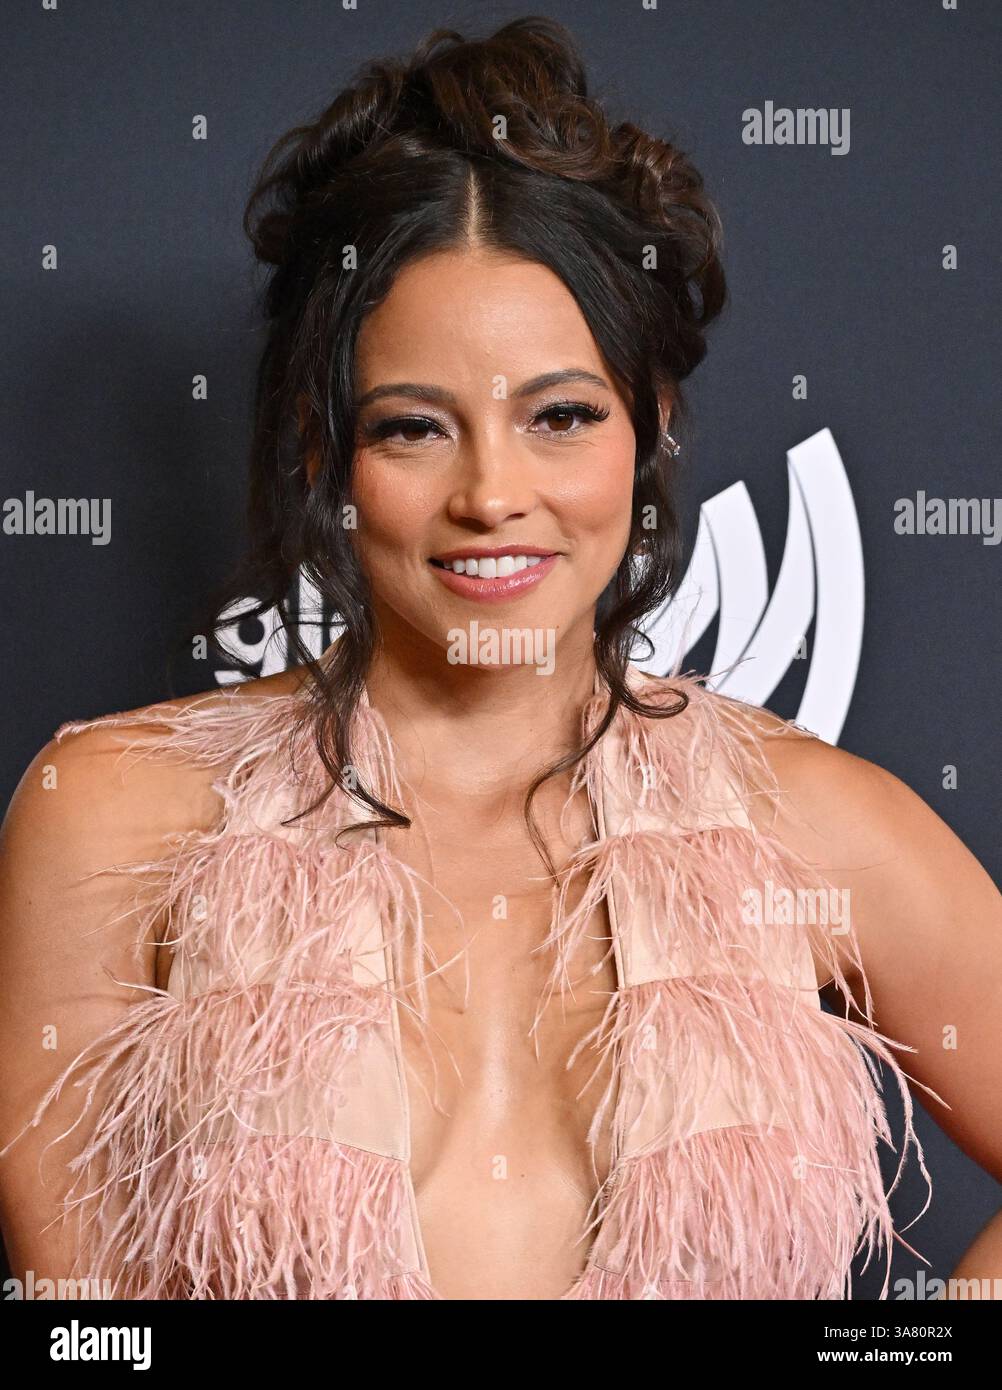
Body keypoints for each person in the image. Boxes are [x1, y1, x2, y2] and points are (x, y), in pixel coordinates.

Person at [1, 16, 1000, 1302]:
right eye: (415, 427)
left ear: (651, 429)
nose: (493, 494)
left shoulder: (819, 828)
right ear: (323, 453)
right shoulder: (110, 815)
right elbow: (87, 1333)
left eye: (561, 417)